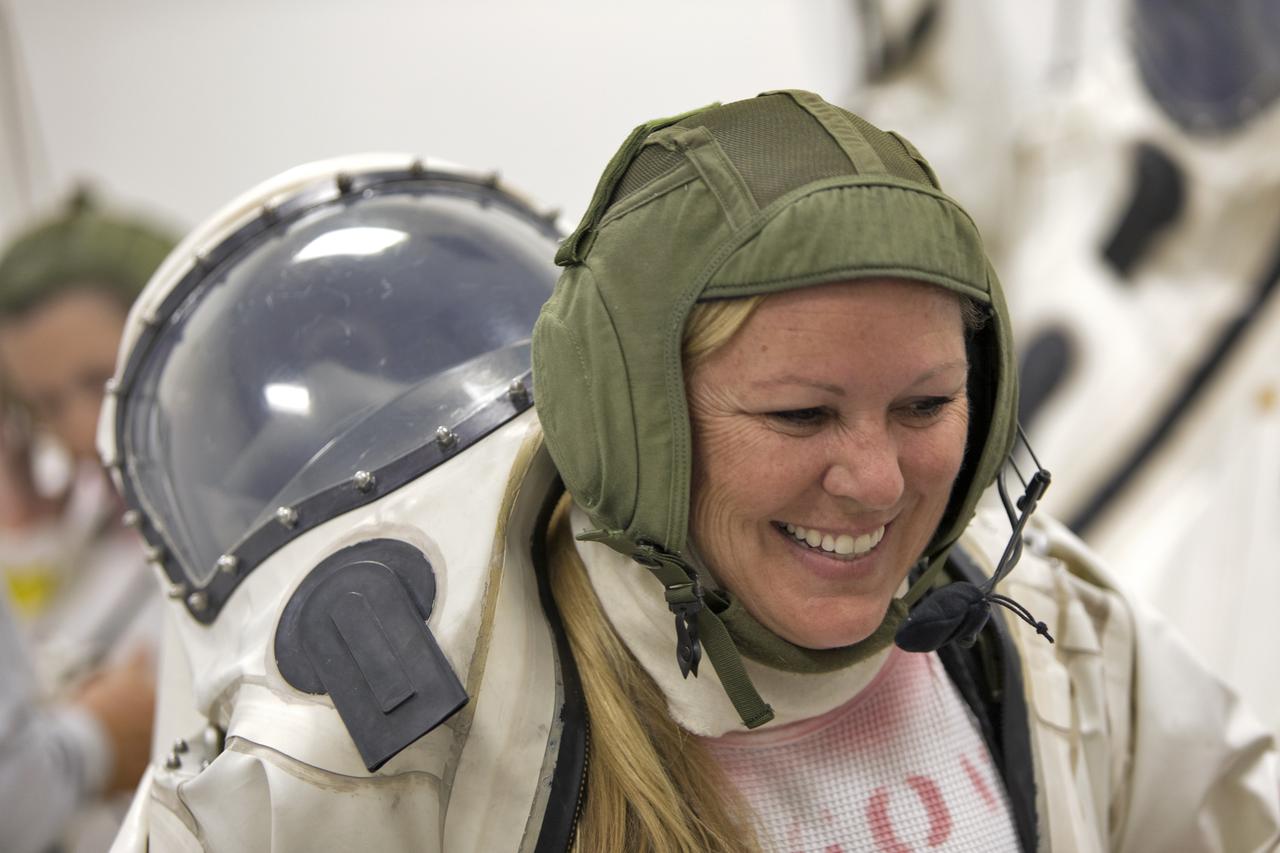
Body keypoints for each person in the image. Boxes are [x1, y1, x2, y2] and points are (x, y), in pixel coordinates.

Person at [103, 101, 1277, 852]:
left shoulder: (1048, 640)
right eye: (798, 412)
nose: (873, 483)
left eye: (924, 405)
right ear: (628, 425)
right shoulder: (392, 746)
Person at [0, 191, 174, 851]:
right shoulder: (75, 525)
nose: (80, 427)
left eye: (103, 379)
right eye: (43, 403)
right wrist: (22, 532)